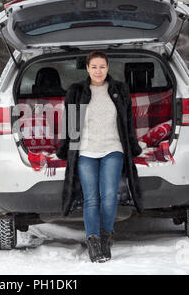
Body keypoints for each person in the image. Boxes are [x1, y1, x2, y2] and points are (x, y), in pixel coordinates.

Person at [56, 51, 143, 263]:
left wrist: (133, 146)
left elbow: (128, 123)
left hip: (113, 148)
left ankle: (105, 237)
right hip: (86, 150)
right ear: (87, 68)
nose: (98, 71)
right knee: (91, 198)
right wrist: (64, 149)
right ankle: (93, 241)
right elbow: (70, 125)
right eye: (94, 67)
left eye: (102, 66)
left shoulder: (119, 90)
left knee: (109, 195)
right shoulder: (76, 92)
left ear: (108, 67)